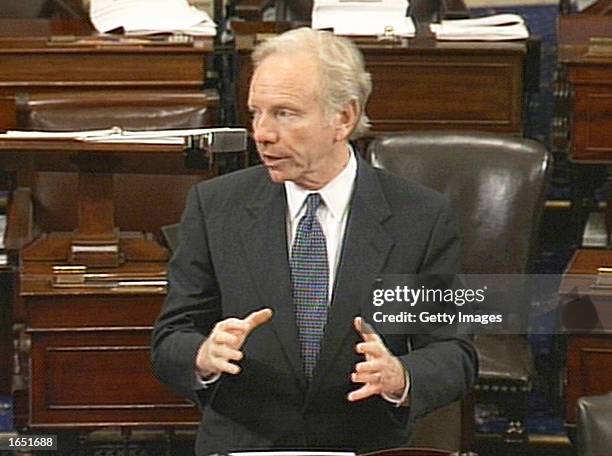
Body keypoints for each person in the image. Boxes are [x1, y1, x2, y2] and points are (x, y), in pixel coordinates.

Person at [151, 27, 477, 455]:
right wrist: (203, 355)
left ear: (343, 118)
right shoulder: (215, 206)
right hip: (245, 443)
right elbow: (170, 339)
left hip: (363, 444)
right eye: (256, 113)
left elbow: (455, 351)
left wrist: (400, 375)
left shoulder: (421, 216)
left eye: (285, 113)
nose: (263, 133)